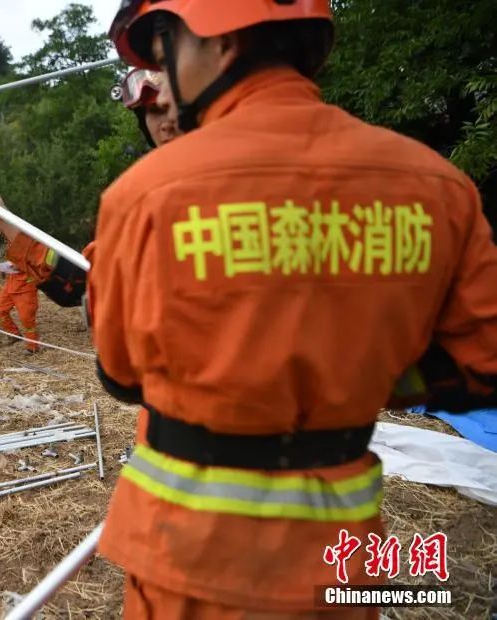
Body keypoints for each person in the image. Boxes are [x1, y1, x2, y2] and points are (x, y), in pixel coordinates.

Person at [84, 1, 497, 617]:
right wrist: (350, 370)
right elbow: (478, 366)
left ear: (217, 40)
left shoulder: (146, 195)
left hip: (189, 566)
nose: (165, 79)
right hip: (340, 560)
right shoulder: (438, 187)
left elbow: (121, 375)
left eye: (166, 47)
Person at [0, 68, 178, 310]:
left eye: (175, 106)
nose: (166, 124)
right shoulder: (138, 202)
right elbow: (79, 281)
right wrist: (4, 220)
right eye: (153, 111)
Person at [0, 259, 41, 354]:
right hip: (11, 283)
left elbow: (37, 263)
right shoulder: (12, 245)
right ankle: (14, 334)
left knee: (26, 318)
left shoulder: (33, 246)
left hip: (25, 286)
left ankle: (33, 346)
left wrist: (21, 266)